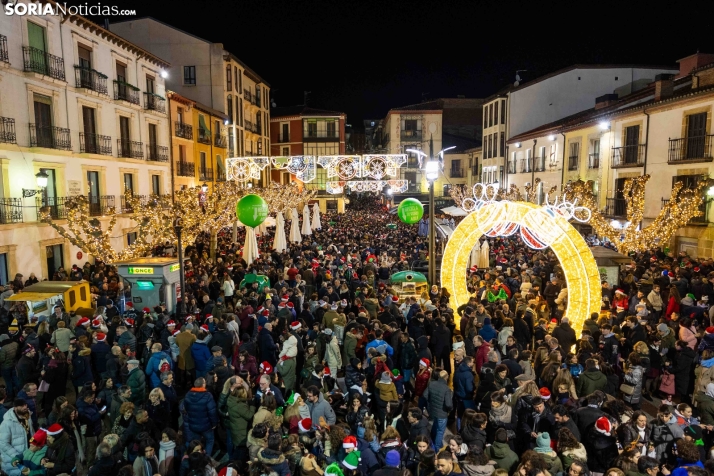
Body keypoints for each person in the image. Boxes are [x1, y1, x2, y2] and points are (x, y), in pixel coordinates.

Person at [181, 377, 217, 456]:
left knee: (197, 444)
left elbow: (185, 409)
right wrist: (214, 423)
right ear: (203, 385)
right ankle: (206, 459)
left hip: (193, 426)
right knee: (210, 441)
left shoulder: (188, 395)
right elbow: (212, 412)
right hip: (206, 426)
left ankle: (197, 459)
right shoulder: (207, 396)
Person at [0, 399, 34, 476]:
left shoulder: (27, 417)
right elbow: (3, 443)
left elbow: (31, 433)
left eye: (25, 405)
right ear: (15, 408)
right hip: (13, 461)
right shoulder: (7, 423)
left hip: (27, 456)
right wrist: (17, 456)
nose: (25, 407)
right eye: (22, 406)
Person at [423, 370, 453, 451]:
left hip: (433, 410)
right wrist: (450, 410)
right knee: (440, 431)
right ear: (446, 377)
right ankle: (436, 449)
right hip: (442, 413)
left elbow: (425, 395)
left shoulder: (432, 384)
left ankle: (432, 439)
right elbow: (448, 404)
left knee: (435, 425)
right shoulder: (446, 389)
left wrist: (431, 402)